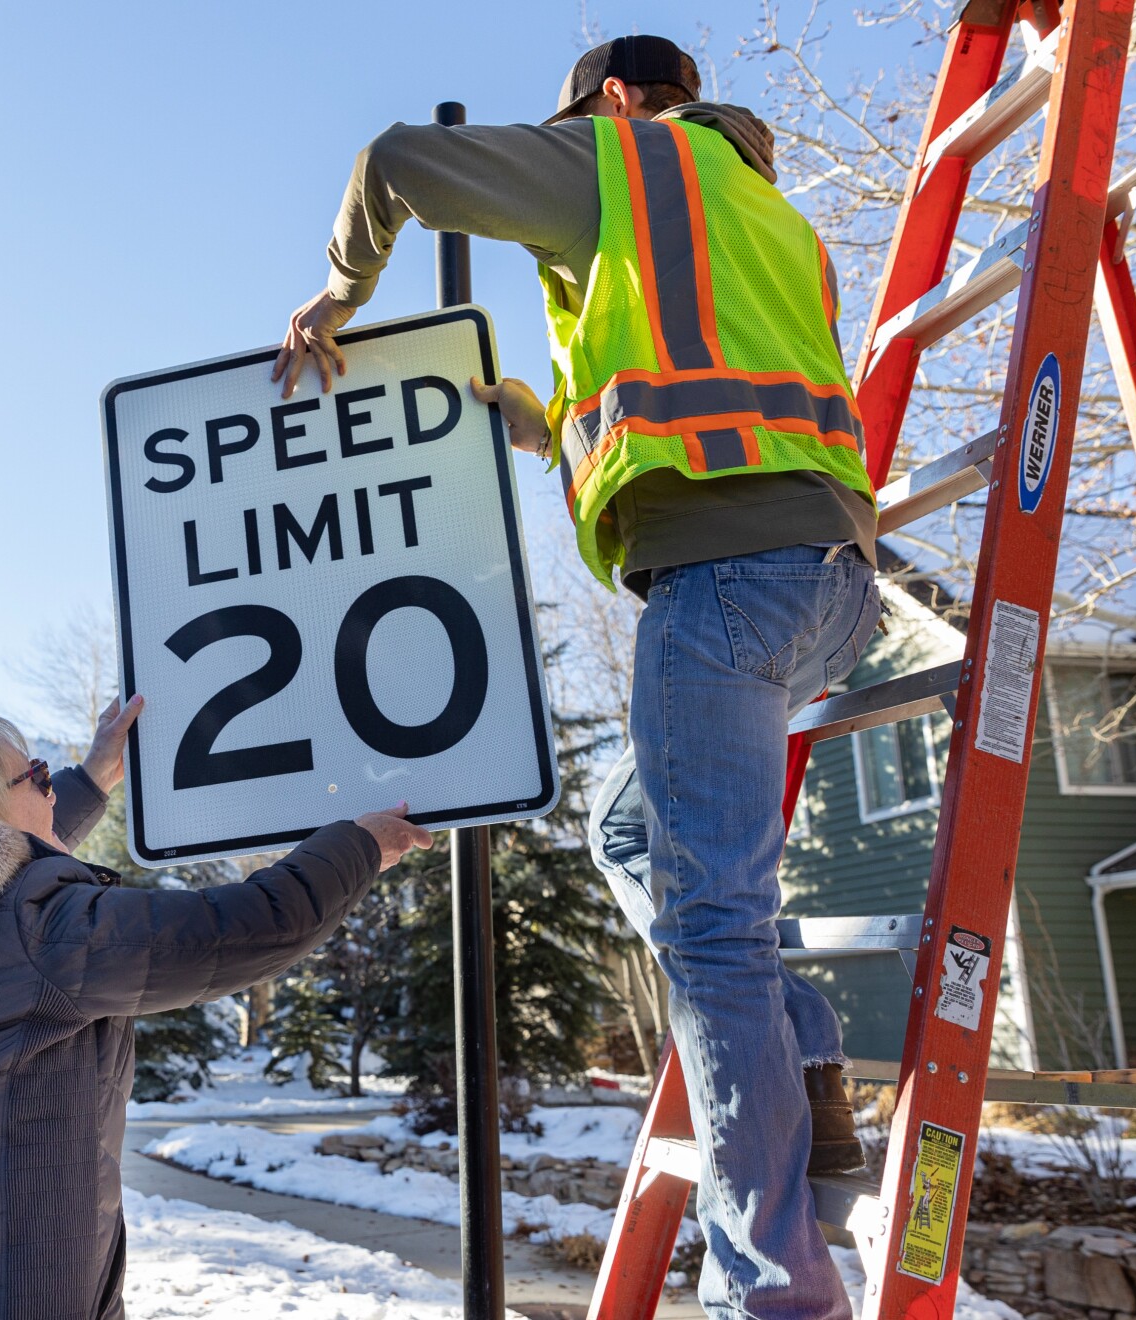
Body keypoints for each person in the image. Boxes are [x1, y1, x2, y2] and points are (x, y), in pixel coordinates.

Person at [274, 35, 880, 1318]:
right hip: (826, 586)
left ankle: (772, 1292)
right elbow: (692, 394)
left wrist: (336, 297)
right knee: (631, 831)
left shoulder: (623, 161)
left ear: (607, 106)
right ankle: (806, 1041)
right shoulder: (760, 207)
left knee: (708, 929)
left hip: (718, 583)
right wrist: (525, 413)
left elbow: (393, 164)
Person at [0, 695, 432, 1319]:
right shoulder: (24, 925)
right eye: (34, 776)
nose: (49, 783)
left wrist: (94, 776)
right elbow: (240, 928)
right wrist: (359, 846)